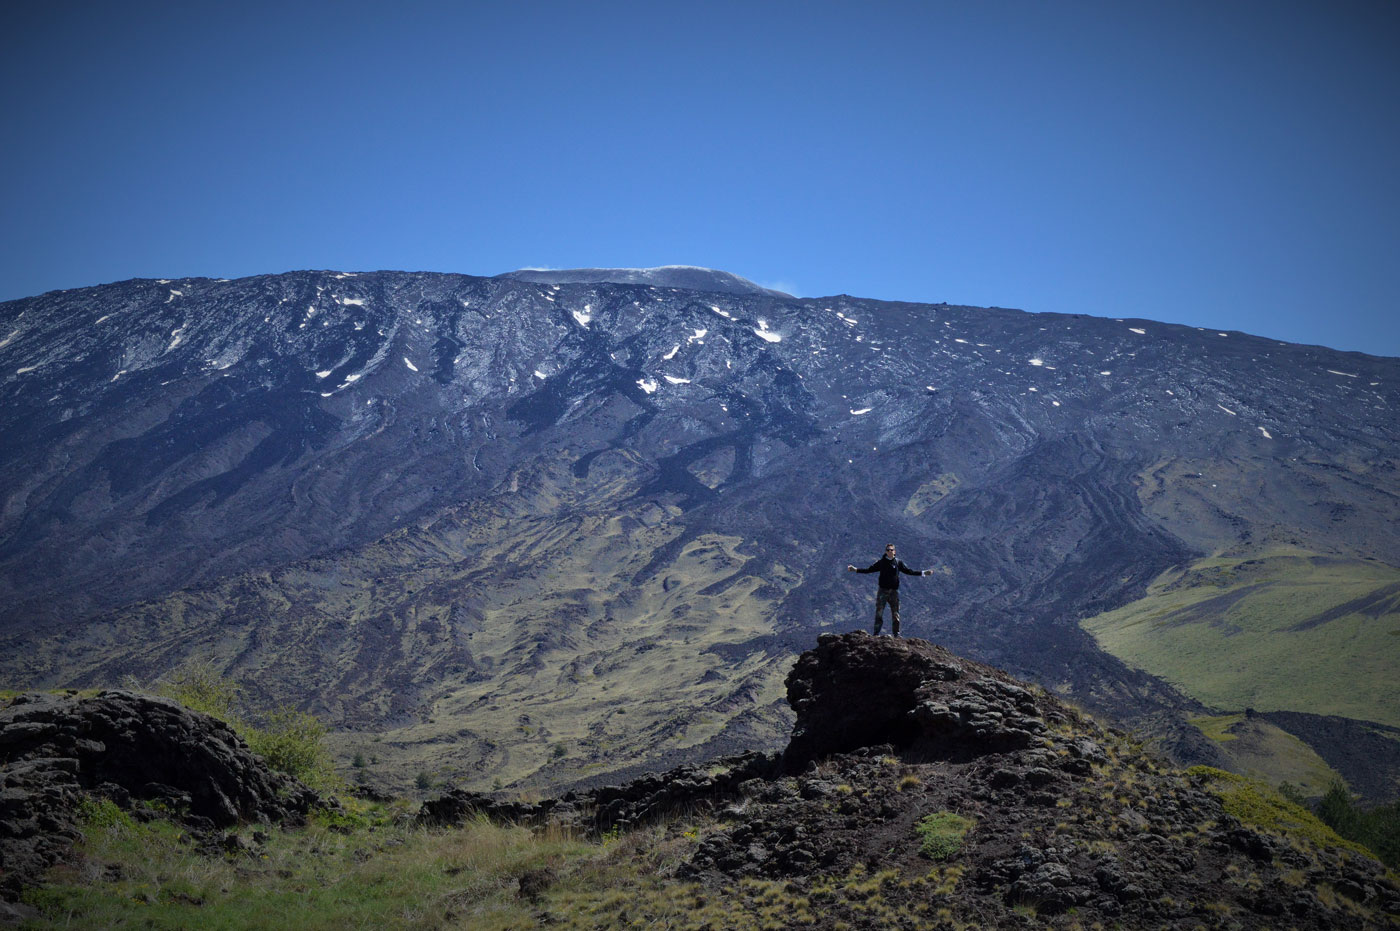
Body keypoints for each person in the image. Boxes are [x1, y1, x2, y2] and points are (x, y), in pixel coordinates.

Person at [846, 543, 932, 637]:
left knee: (896, 614)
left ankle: (896, 634)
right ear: (885, 551)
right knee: (879, 612)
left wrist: (923, 573)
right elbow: (869, 570)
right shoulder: (881, 562)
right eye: (888, 550)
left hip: (894, 592)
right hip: (883, 591)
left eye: (891, 550)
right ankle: (876, 633)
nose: (890, 551)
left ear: (894, 551)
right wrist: (855, 570)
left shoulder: (898, 562)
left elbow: (909, 571)